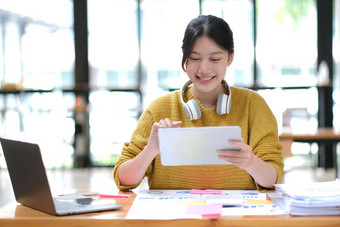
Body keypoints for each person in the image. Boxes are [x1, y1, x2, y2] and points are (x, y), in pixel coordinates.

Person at [113, 15, 283, 192]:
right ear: (185, 58)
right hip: (174, 218)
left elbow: (273, 179)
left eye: (215, 59)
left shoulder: (253, 105)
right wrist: (150, 151)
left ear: (230, 57)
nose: (204, 69)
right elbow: (123, 179)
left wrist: (251, 162)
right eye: (194, 58)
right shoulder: (159, 109)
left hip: (234, 218)